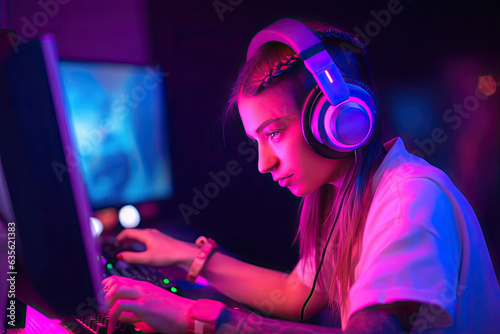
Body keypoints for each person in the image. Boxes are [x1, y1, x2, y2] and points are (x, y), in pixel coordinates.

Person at [102, 18, 500, 333]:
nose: (263, 164)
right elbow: (298, 294)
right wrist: (190, 256)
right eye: (257, 140)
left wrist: (197, 318)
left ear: (341, 120)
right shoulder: (345, 192)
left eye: (273, 133)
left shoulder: (408, 202)